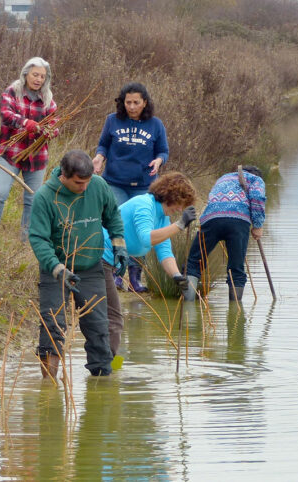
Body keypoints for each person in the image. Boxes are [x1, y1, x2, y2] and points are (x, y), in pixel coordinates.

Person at [28, 150, 125, 378]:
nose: (84, 188)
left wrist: (119, 245)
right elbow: (38, 239)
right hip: (56, 269)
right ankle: (49, 388)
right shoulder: (45, 197)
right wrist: (58, 268)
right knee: (53, 327)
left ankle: (102, 386)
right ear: (64, 175)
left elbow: (112, 216)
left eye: (87, 181)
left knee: (99, 328)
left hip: (91, 267)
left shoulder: (98, 186)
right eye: (79, 183)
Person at [100, 172, 197, 357]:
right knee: (114, 319)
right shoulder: (144, 205)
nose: (179, 209)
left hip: (110, 263)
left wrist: (177, 276)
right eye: (180, 204)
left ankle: (111, 368)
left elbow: (164, 251)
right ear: (171, 196)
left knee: (110, 318)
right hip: (100, 257)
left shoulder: (162, 217)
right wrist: (180, 225)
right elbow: (146, 238)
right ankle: (107, 370)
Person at [92, 82, 169, 292]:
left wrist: (159, 161)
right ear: (122, 102)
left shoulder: (155, 124)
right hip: (116, 183)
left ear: (145, 103)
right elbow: (103, 145)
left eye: (136, 102)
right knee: (117, 225)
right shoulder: (112, 120)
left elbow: (163, 151)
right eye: (128, 102)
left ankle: (135, 278)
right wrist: (99, 158)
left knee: (141, 229)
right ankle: (117, 272)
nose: (132, 107)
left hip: (145, 186)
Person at [0, 57, 57, 237]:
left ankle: (27, 238)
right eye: (35, 75)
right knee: (0, 192)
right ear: (26, 74)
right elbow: (6, 115)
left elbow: (55, 123)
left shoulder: (48, 98)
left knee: (33, 199)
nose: (38, 79)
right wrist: (25, 123)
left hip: (37, 157)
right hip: (10, 153)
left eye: (42, 76)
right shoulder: (12, 92)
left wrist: (49, 132)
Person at [184, 166, 267, 303]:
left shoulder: (224, 178)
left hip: (211, 219)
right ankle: (235, 312)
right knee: (236, 268)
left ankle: (188, 306)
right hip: (238, 222)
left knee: (194, 261)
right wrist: (258, 225)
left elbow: (212, 198)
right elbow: (257, 198)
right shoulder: (256, 179)